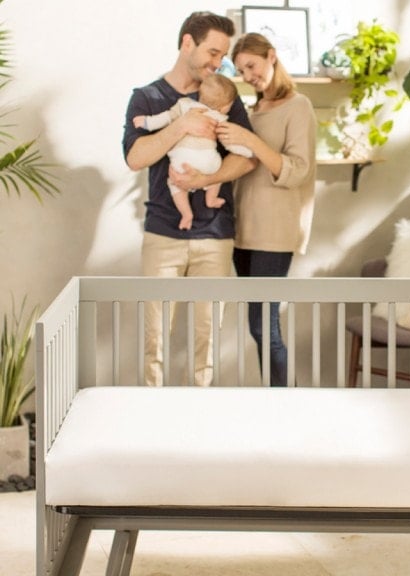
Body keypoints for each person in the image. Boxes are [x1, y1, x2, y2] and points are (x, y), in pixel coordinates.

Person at [171, 32, 316, 387]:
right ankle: (278, 398)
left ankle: (286, 402)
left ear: (271, 56)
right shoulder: (252, 111)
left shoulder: (299, 106)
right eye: (241, 71)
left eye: (252, 66)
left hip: (275, 231)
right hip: (243, 229)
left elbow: (298, 170)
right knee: (258, 326)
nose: (248, 76)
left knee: (264, 326)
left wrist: (250, 140)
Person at [123, 12, 255, 387]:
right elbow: (136, 158)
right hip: (163, 234)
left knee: (207, 337)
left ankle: (201, 411)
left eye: (222, 56)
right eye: (213, 53)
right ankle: (153, 408)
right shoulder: (148, 97)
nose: (218, 63)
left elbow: (247, 157)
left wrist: (206, 179)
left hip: (214, 235)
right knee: (155, 337)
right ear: (187, 43)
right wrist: (181, 124)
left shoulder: (224, 96)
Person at [133, 74, 253, 230]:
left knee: (174, 184)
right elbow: (228, 141)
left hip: (181, 161)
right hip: (208, 161)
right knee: (218, 173)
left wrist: (147, 122)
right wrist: (245, 151)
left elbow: (166, 118)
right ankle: (211, 198)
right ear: (224, 107)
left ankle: (186, 214)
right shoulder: (219, 118)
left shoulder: (184, 105)